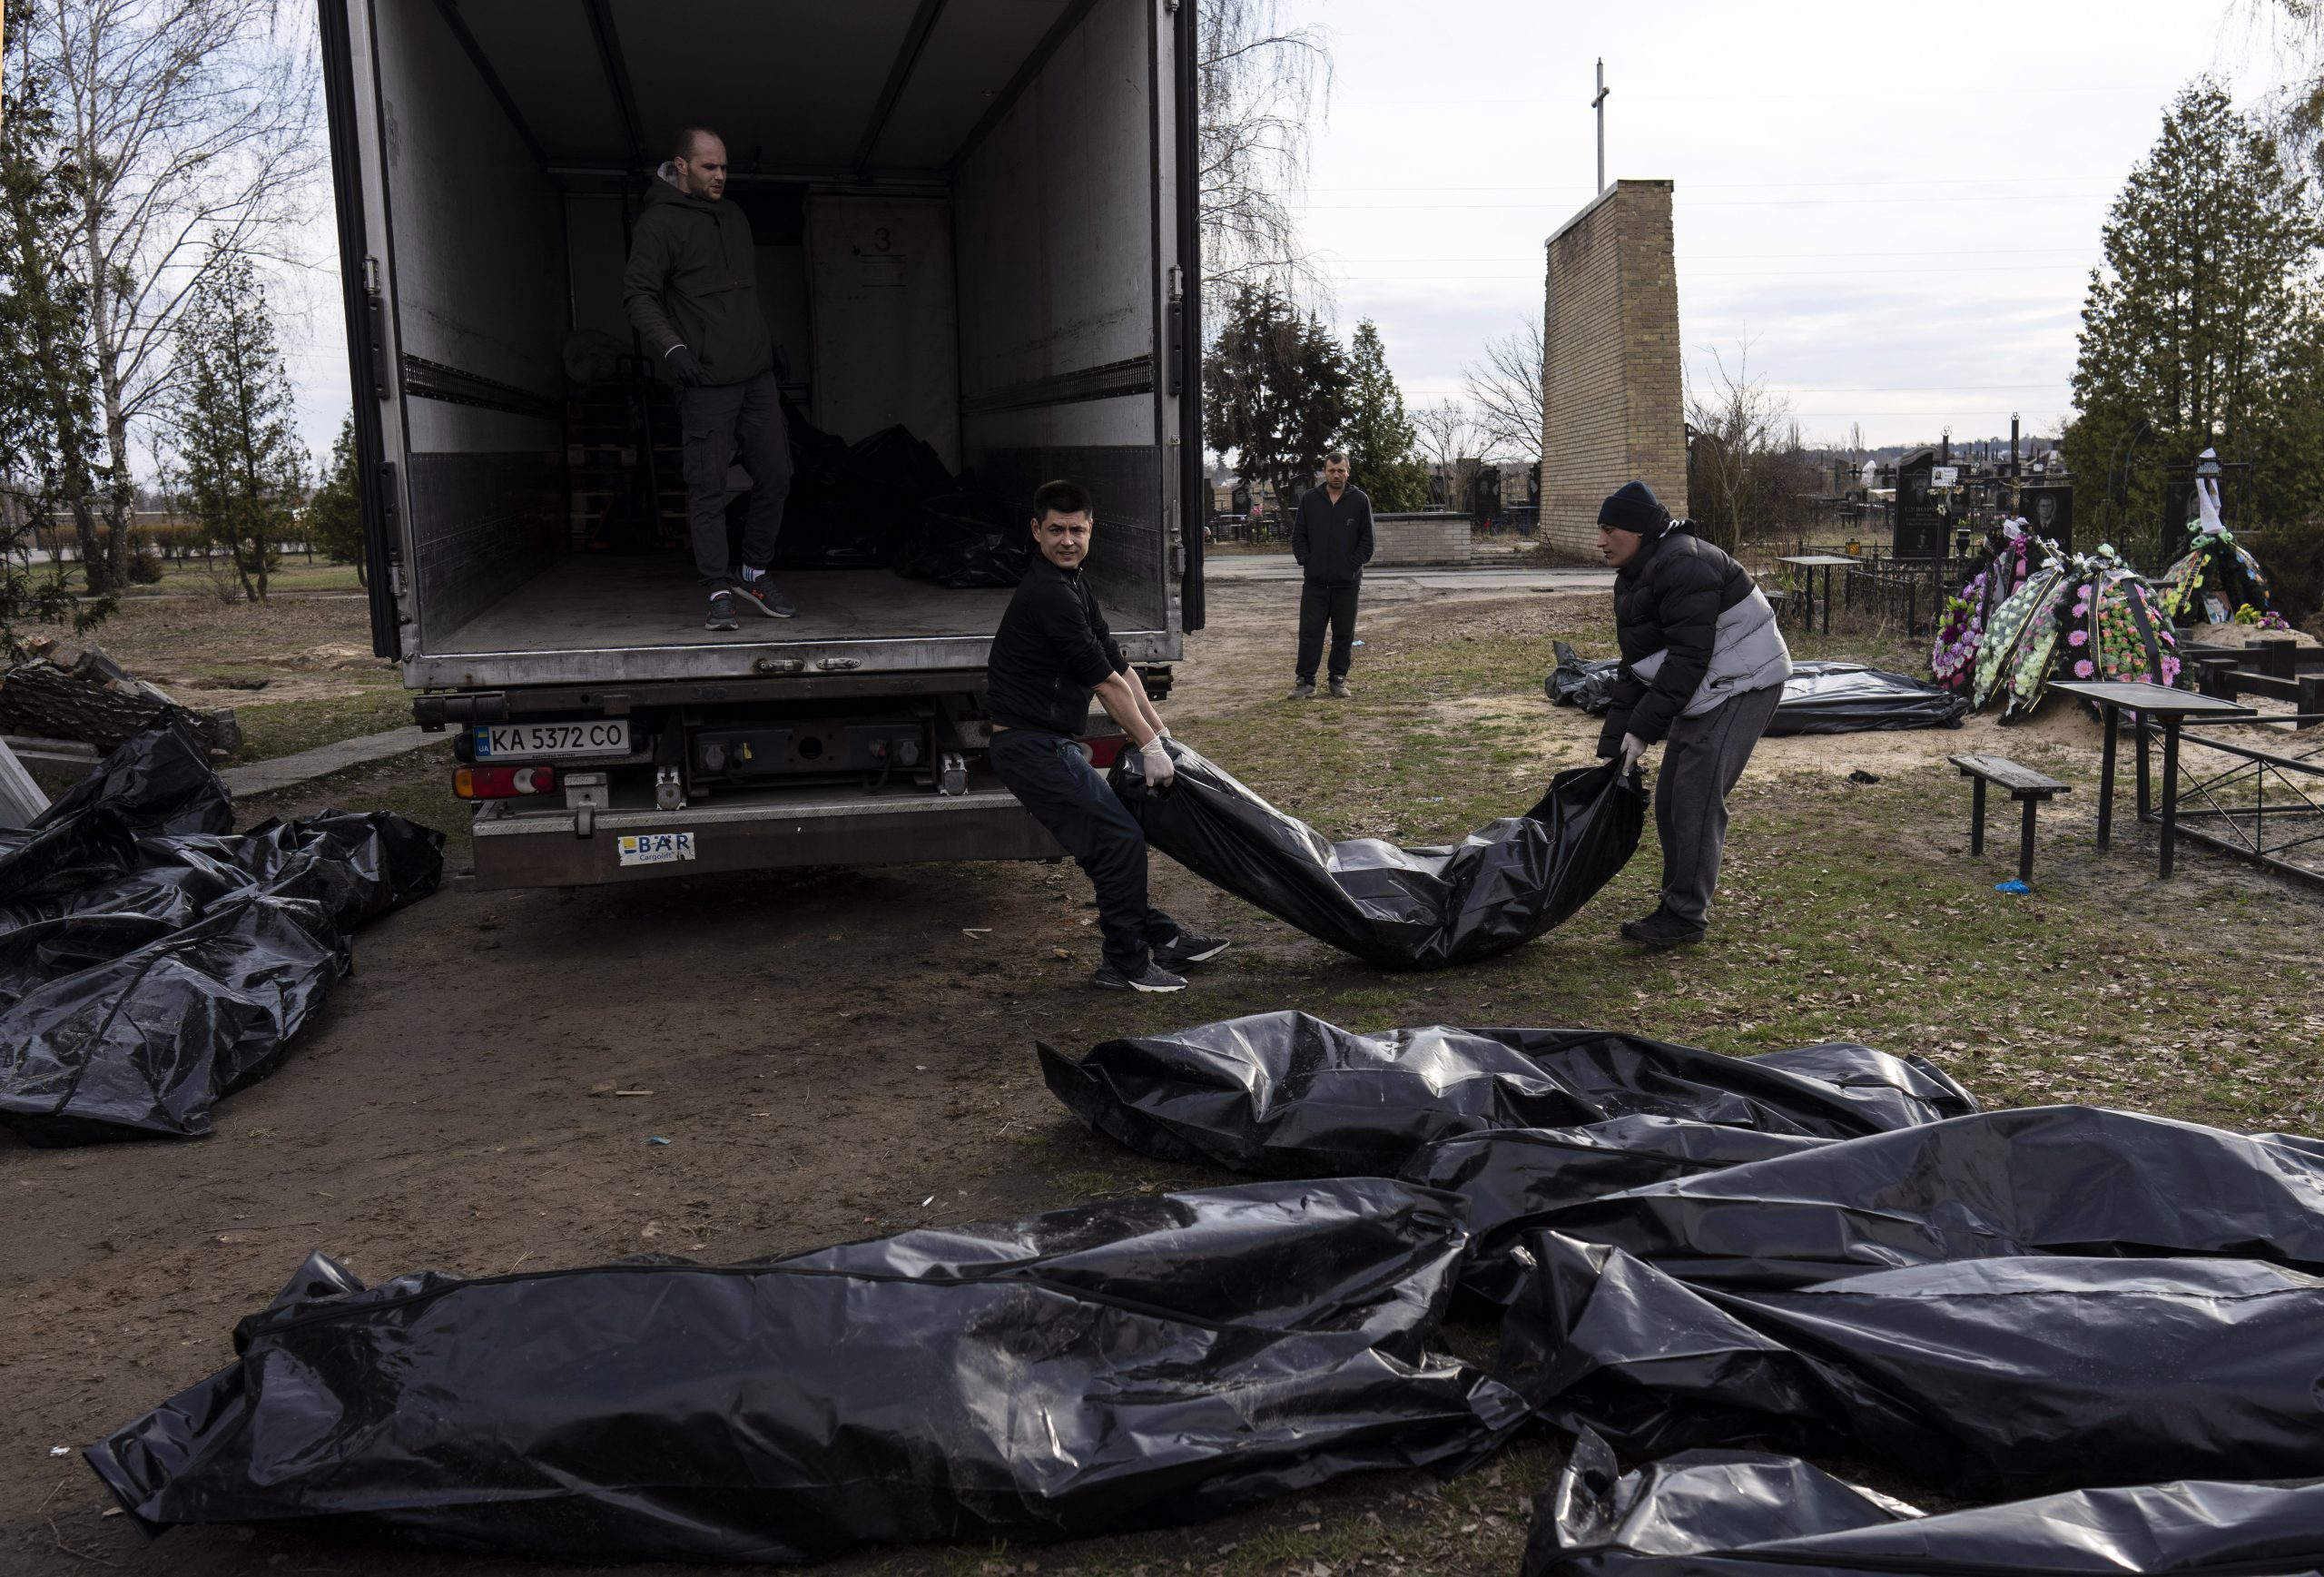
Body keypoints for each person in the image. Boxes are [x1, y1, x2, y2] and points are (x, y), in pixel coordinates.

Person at [986, 478, 1229, 993]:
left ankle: (1159, 937)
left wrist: (1162, 738)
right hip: (1028, 745)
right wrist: (1147, 745)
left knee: (1107, 846)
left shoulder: (1074, 583)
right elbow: (1102, 685)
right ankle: (1124, 964)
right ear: (1036, 530)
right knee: (1119, 839)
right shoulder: (1049, 594)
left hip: (1047, 742)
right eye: (1056, 530)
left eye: (1076, 529)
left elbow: (1121, 670)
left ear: (1091, 529)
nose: (1067, 539)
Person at [1593, 480, 1791, 949]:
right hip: (1708, 686)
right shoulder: (1641, 571)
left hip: (1744, 683)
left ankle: (1685, 916)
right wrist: (1615, 745)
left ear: (1639, 530)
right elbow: (1637, 663)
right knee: (1670, 803)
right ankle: (1675, 901)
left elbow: (1687, 658)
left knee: (1695, 800)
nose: (1600, 541)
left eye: (1609, 529)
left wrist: (1643, 730)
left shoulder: (1685, 563)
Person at [622, 126, 798, 632]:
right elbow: (638, 295)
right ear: (680, 166)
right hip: (704, 380)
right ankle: (718, 590)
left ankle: (754, 571)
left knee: (777, 477)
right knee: (708, 487)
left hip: (755, 374)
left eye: (724, 167)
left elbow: (743, 294)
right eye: (709, 167)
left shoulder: (733, 216)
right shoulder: (658, 224)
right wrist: (673, 349)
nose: (721, 176)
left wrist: (770, 340)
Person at [1289, 451, 1374, 699]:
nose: (1336, 475)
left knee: (1343, 634)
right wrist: (1307, 562)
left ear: (1348, 472)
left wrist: (1351, 567)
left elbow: (1367, 541)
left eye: (1341, 471)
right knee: (1310, 632)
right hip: (1315, 583)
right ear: (1324, 473)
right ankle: (1305, 681)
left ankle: (1337, 679)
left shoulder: (1360, 500)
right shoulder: (1310, 499)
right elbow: (1298, 536)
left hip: (1347, 584)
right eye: (1331, 470)